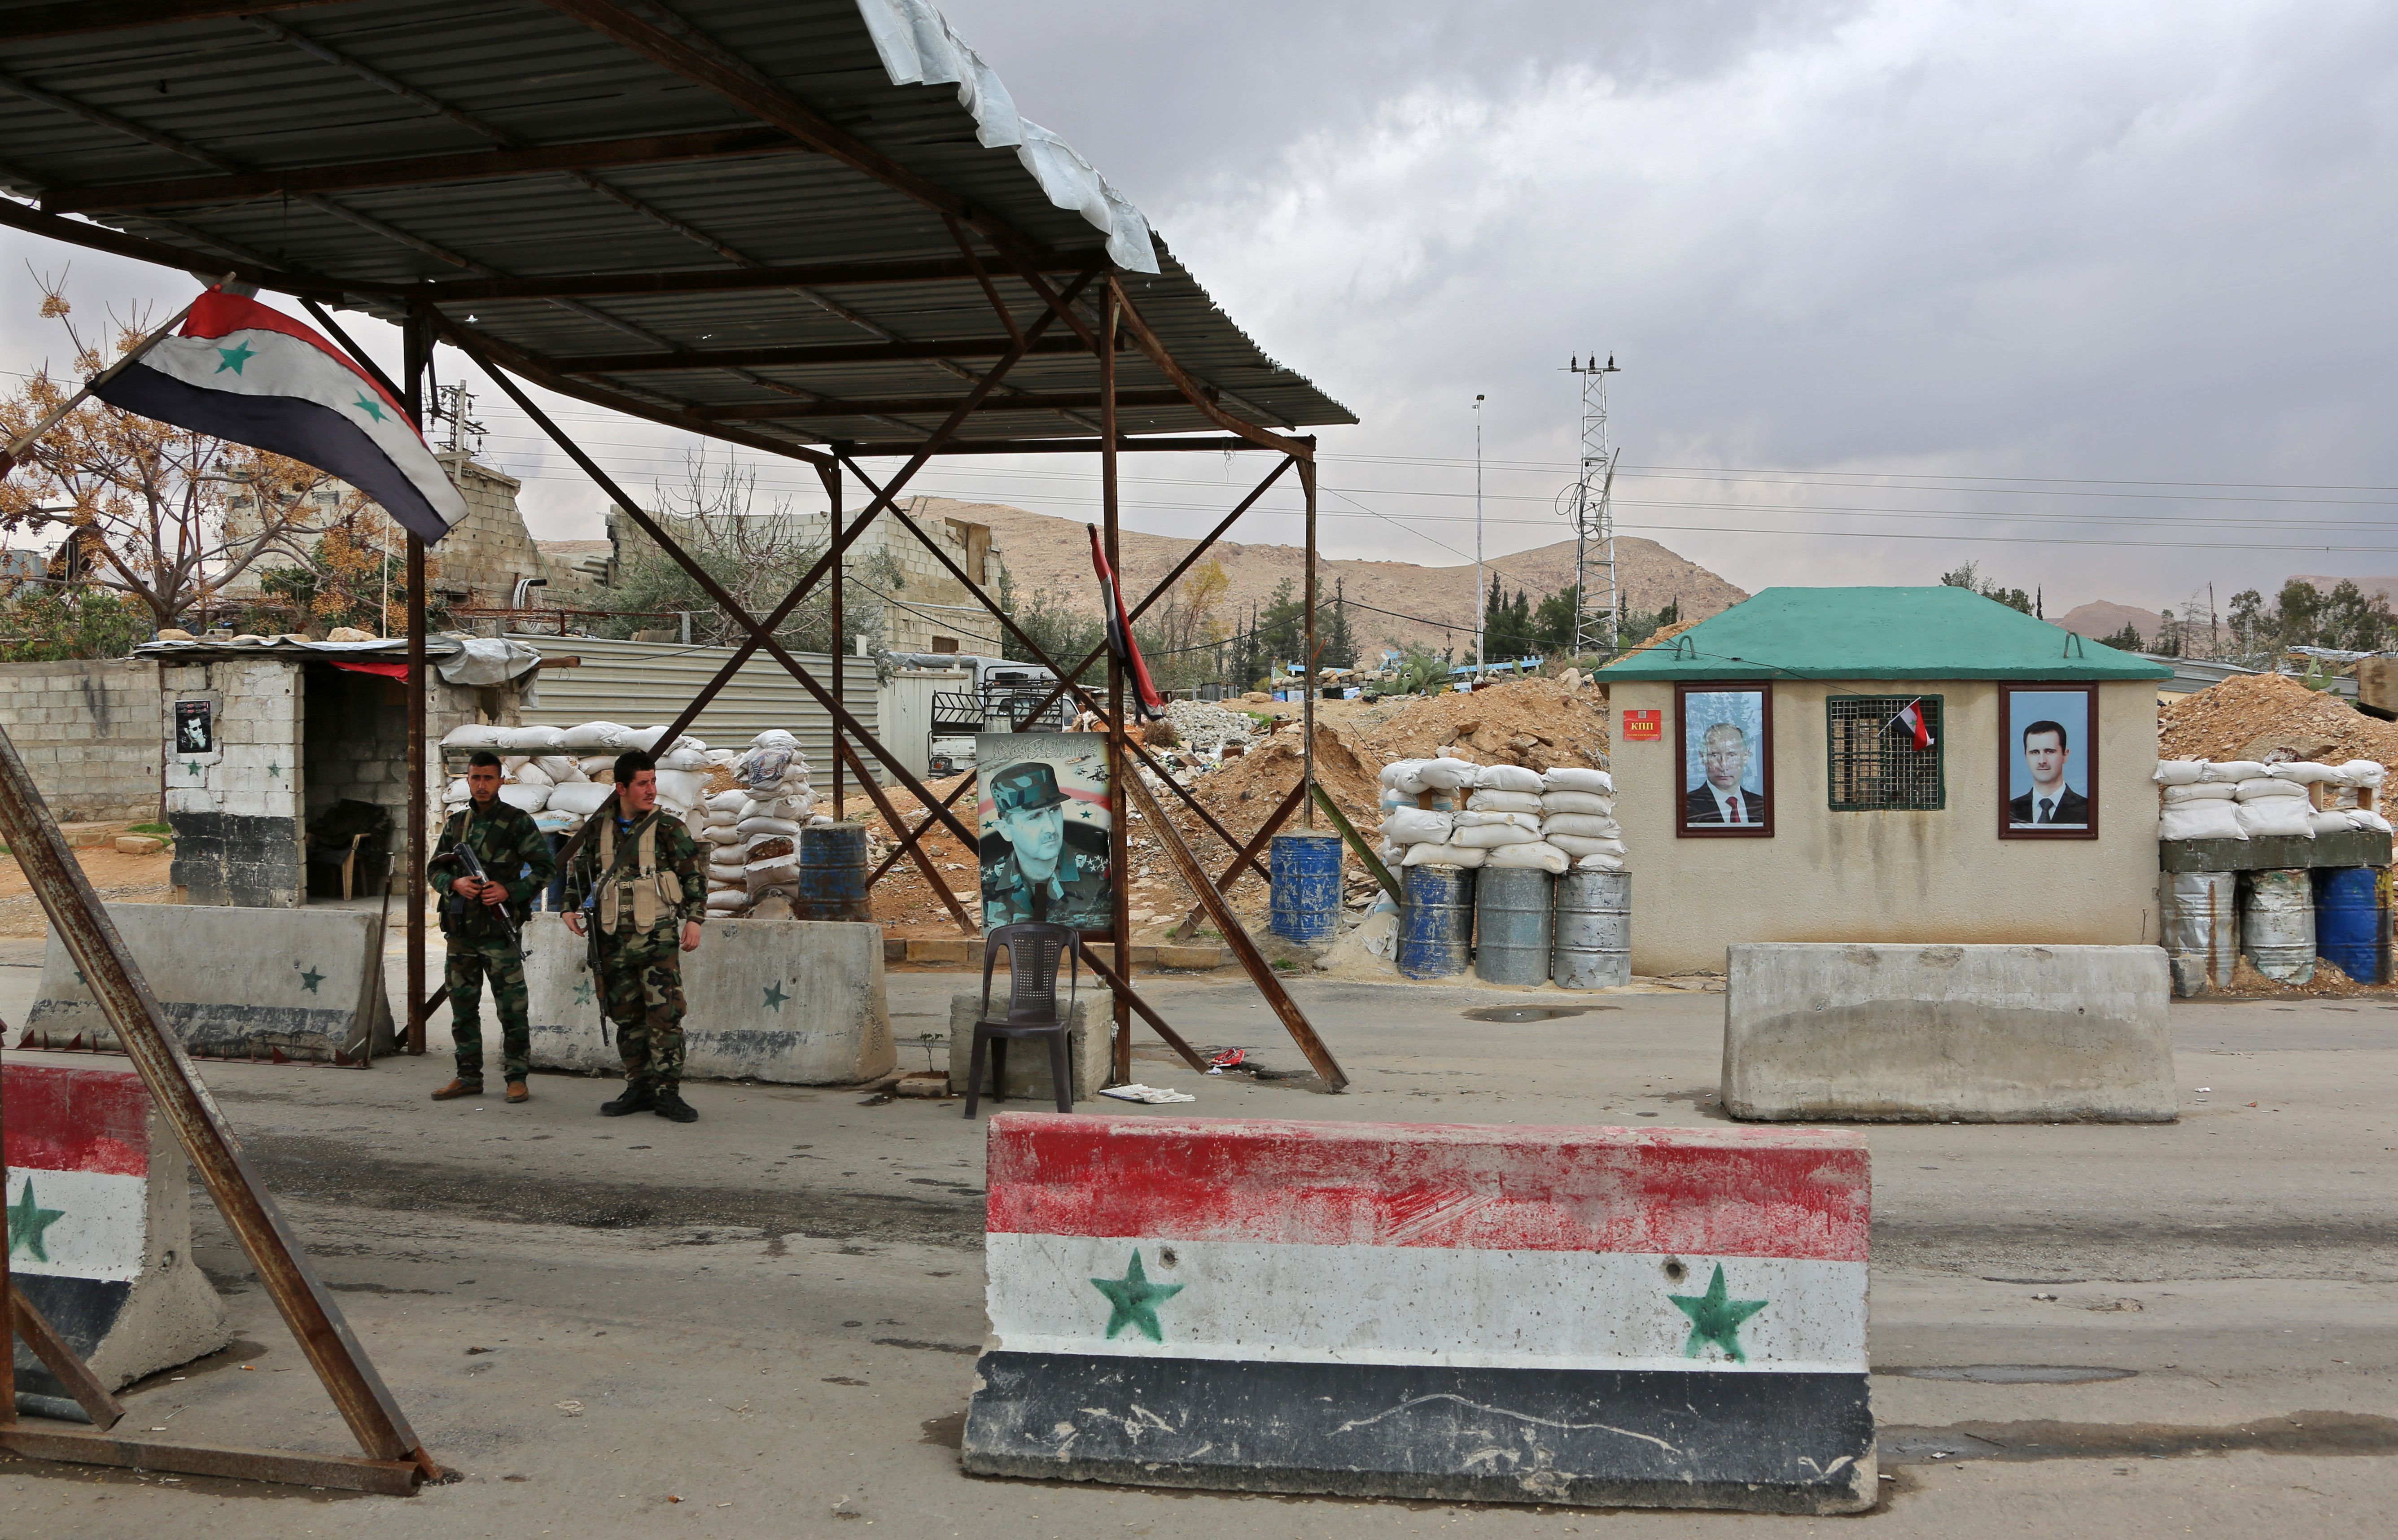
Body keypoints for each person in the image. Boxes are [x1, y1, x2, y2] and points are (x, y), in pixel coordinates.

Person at [564, 749, 706, 1123]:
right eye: (643, 783)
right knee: (626, 1017)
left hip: (657, 940)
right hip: (611, 940)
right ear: (622, 788)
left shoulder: (669, 828)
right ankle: (639, 1086)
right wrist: (568, 906)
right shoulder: (599, 828)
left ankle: (667, 1093)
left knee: (665, 1016)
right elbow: (580, 872)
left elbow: (694, 876)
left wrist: (695, 920)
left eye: (654, 781)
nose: (651, 790)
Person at [425, 751, 555, 1104]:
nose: (482, 785)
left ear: (501, 781)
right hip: (461, 933)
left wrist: (509, 890)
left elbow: (545, 868)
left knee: (511, 1008)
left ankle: (516, 1077)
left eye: (488, 778)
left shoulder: (517, 822)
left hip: (499, 932)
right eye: (475, 778)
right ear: (468, 780)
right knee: (463, 1008)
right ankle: (468, 1076)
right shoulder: (456, 824)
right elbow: (434, 869)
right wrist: (454, 884)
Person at [979, 759, 1112, 930]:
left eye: (1054, 810)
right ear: (1005, 830)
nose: (1051, 828)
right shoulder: (989, 881)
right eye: (1034, 817)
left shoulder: (1099, 875)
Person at [2009, 718, 2088, 826]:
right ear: (2026, 756)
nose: (2042, 761)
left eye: (2050, 751)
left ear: (2065, 755)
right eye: (2035, 752)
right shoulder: (2009, 811)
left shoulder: (2087, 810)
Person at [1684, 720, 1763, 825]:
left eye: (1731, 755)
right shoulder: (1687, 806)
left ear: (1746, 757)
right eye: (1714, 755)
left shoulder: (1762, 806)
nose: (1723, 766)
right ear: (1703, 757)